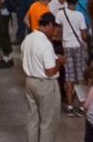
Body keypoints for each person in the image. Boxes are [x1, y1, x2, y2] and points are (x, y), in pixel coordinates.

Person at [22, 11, 64, 142]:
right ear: (49, 25)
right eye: (54, 28)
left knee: (33, 119)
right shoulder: (45, 44)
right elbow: (50, 71)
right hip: (45, 85)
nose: (55, 32)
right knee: (48, 123)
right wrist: (60, 62)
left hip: (30, 81)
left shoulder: (28, 38)